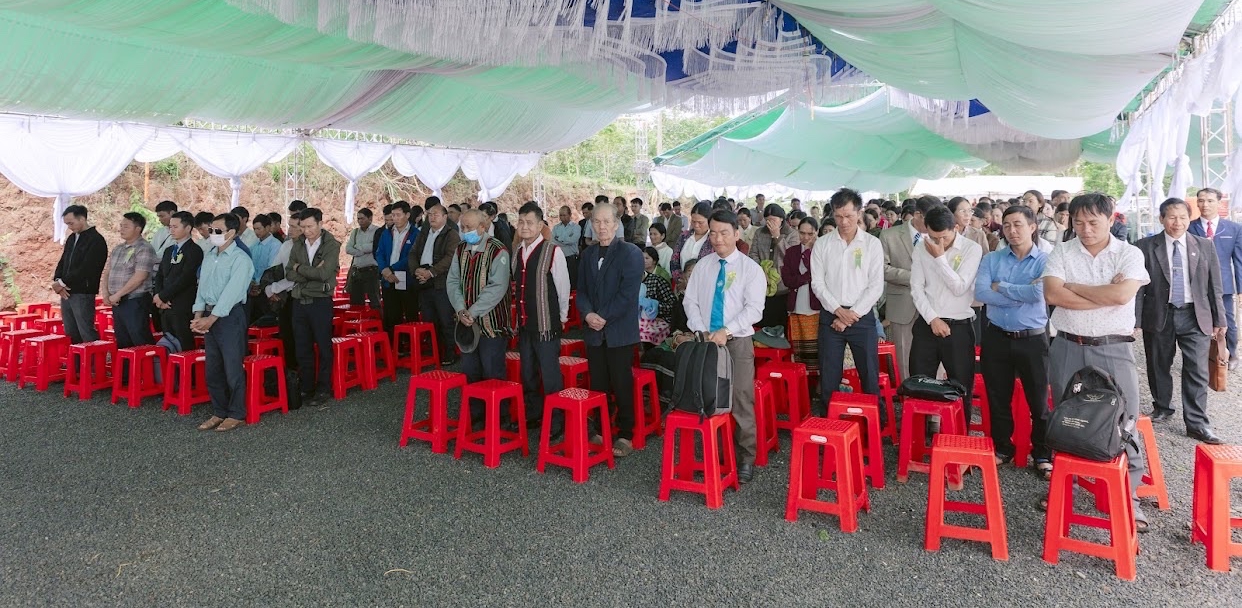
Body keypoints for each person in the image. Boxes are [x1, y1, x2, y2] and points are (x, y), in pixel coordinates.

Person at [1042, 192, 1151, 531]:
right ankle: (1066, 488)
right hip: (1067, 345)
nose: (1086, 229)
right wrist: (1104, 294)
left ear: (1110, 219)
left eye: (1093, 222)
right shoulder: (1062, 251)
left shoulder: (1129, 254)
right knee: (1066, 416)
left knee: (1124, 419)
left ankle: (1130, 498)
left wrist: (1075, 287)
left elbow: (1121, 295)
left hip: (1113, 347)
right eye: (1079, 223)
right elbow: (1053, 294)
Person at [679, 209, 765, 482]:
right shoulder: (703, 266)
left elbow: (755, 309)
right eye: (713, 233)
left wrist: (726, 331)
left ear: (736, 234)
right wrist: (701, 329)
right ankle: (714, 453)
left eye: (724, 233)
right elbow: (690, 301)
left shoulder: (750, 269)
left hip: (737, 342)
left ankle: (745, 458)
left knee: (740, 399)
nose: (718, 239)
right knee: (708, 396)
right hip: (707, 342)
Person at [1136, 198, 1226, 444]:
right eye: (1172, 217)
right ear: (1161, 219)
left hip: (1195, 315)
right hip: (1159, 314)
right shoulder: (1144, 246)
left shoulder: (1204, 245)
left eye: (1183, 217)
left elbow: (1215, 286)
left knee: (1196, 369)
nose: (1178, 222)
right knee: (1158, 363)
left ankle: (1197, 423)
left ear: (1189, 218)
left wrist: (1220, 318)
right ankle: (1162, 407)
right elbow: (1138, 288)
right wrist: (1135, 319)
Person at [974, 205, 1052, 474]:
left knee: (1039, 401)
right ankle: (1003, 448)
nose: (1012, 230)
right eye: (1006, 225)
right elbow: (982, 293)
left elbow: (1039, 294)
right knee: (998, 397)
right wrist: (1020, 294)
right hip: (996, 336)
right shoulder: (992, 259)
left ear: (1032, 227)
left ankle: (1042, 453)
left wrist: (1003, 288)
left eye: (1018, 224)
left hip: (1033, 339)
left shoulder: (1045, 260)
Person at [577, 202, 644, 457]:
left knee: (621, 381)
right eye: (596, 221)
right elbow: (581, 290)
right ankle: (601, 427)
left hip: (619, 330)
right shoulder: (588, 254)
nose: (601, 226)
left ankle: (626, 433)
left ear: (616, 224)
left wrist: (603, 316)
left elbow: (627, 294)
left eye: (607, 221)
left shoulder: (630, 252)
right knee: (598, 381)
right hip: (594, 329)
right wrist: (588, 314)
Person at [811, 189, 885, 410]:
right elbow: (818, 284)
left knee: (869, 373)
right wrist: (838, 310)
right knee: (829, 374)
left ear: (859, 213)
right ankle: (829, 421)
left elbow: (875, 286)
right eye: (838, 216)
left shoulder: (872, 244)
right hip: (831, 316)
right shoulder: (823, 244)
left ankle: (876, 424)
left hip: (861, 316)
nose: (843, 222)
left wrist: (850, 315)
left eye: (849, 216)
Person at [909, 205, 983, 424]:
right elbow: (916, 288)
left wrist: (940, 258)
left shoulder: (971, 249)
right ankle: (920, 436)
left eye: (944, 237)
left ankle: (960, 435)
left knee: (961, 387)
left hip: (959, 327)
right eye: (933, 237)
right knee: (919, 384)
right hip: (927, 324)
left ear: (956, 228)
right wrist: (932, 318)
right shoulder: (921, 247)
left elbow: (959, 287)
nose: (938, 242)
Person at [447, 209, 512, 427]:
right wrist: (460, 309)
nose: (465, 231)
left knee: (492, 371)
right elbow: (452, 281)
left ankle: (498, 417)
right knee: (470, 370)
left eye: (469, 227)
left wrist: (472, 312)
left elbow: (498, 287)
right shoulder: (460, 249)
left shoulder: (497, 250)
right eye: (462, 227)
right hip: (466, 324)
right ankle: (476, 415)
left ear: (482, 228)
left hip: (491, 323)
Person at [510, 202, 570, 437]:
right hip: (525, 324)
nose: (524, 227)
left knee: (550, 374)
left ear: (540, 225)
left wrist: (563, 316)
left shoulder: (552, 251)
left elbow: (563, 288)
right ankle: (533, 414)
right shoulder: (517, 251)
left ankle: (557, 420)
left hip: (546, 325)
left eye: (530, 223)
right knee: (528, 372)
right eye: (521, 222)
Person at [192, 213, 255, 433]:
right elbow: (202, 287)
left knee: (232, 368)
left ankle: (236, 413)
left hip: (229, 317)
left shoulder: (241, 259)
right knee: (213, 368)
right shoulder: (210, 255)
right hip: (210, 315)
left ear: (231, 233)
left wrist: (211, 318)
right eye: (211, 230)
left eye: (217, 231)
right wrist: (198, 315)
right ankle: (219, 411)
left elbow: (232, 293)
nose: (212, 234)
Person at [287, 208, 341, 405]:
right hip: (299, 301)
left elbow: (324, 274)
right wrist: (309, 273)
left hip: (320, 302)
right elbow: (288, 272)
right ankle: (307, 387)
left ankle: (324, 388)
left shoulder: (331, 245)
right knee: (302, 347)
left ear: (320, 223)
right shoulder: (298, 244)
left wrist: (300, 269)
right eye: (303, 227)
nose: (306, 231)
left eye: (310, 226)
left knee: (324, 346)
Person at [880, 195, 934, 379]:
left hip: (934, 305)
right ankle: (908, 392)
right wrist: (914, 278)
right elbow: (882, 269)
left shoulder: (938, 234)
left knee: (936, 356)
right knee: (905, 356)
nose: (933, 224)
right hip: (903, 304)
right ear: (918, 215)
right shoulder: (889, 235)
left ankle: (936, 393)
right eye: (930, 219)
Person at [1188, 187, 1242, 370]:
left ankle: (1232, 353)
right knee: (1198, 319)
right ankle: (1204, 355)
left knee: (1227, 319)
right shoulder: (1189, 227)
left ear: (1219, 203)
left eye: (1210, 201)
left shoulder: (1234, 228)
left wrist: (1240, 289)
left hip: (1223, 284)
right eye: (1201, 200)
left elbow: (1239, 261)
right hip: (1196, 284)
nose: (1205, 204)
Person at [411, 198, 461, 366]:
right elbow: (412, 253)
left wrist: (431, 272)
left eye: (436, 214)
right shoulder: (423, 234)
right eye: (429, 214)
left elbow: (450, 257)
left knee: (445, 320)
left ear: (445, 217)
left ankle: (450, 352)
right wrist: (416, 270)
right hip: (423, 281)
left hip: (441, 283)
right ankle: (434, 353)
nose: (432, 217)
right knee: (429, 320)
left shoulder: (451, 234)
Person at [101, 212, 159, 349]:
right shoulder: (118, 249)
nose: (121, 229)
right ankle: (128, 364)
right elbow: (107, 272)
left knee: (139, 337)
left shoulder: (144, 248)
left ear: (138, 229)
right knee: (123, 339)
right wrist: (106, 293)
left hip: (135, 300)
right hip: (117, 301)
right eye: (121, 226)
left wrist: (118, 294)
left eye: (126, 226)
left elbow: (140, 276)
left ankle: (149, 363)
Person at [52, 205, 108, 344]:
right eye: (67, 224)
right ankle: (77, 357)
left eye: (71, 223)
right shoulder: (72, 238)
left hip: (83, 291)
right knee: (71, 331)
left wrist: (62, 283)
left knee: (86, 330)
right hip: (67, 291)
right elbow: (63, 261)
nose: (69, 227)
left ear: (82, 219)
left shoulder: (96, 240)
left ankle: (93, 357)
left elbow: (87, 268)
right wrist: (58, 279)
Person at [152, 211, 203, 353]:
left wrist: (163, 296)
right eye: (170, 227)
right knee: (168, 342)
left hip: (182, 304)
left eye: (175, 227)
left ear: (188, 228)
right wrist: (158, 296)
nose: (171, 230)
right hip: (164, 305)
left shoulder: (194, 250)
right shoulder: (169, 250)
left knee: (183, 342)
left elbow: (185, 278)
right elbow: (160, 275)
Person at [781, 216, 822, 385]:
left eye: (810, 234)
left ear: (816, 232)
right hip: (796, 306)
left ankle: (817, 384)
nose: (805, 237)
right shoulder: (792, 252)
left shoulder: (821, 251)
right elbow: (787, 280)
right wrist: (806, 278)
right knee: (799, 349)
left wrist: (802, 277)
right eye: (802, 233)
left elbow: (821, 275)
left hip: (816, 306)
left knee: (817, 349)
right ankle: (801, 384)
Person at [265, 210, 303, 373]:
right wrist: (268, 288)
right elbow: (274, 268)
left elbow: (296, 277)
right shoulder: (286, 245)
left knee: (299, 336)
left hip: (300, 296)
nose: (290, 230)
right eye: (290, 226)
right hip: (286, 297)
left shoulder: (306, 248)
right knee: (286, 333)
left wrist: (274, 288)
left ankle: (301, 371)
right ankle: (290, 370)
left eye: (294, 227)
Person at [375, 200, 420, 336]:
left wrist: (391, 269)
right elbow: (379, 253)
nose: (395, 218)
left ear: (407, 215)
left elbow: (412, 256)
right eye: (393, 215)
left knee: (410, 314)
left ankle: (409, 342)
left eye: (398, 215)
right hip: (388, 279)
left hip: (407, 280)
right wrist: (384, 270)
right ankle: (394, 344)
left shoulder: (415, 234)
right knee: (391, 314)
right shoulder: (386, 233)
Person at [749, 203, 796, 329]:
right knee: (762, 321)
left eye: (773, 220)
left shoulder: (792, 234)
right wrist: (760, 271)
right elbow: (753, 254)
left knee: (780, 324)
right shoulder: (759, 232)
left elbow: (791, 257)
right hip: (762, 283)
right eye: (767, 220)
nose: (770, 223)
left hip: (783, 286)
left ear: (781, 219)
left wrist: (777, 236)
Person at [344, 207, 381, 309]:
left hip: (371, 271)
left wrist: (358, 247)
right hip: (357, 271)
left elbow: (374, 247)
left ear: (370, 218)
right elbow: (348, 249)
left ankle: (377, 317)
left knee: (374, 300)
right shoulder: (355, 232)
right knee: (356, 302)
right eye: (358, 219)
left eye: (362, 218)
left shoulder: (377, 231)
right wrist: (362, 251)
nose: (360, 221)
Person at [639, 246, 675, 347]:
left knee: (642, 336)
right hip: (637, 320)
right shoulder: (628, 282)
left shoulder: (657, 280)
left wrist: (655, 308)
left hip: (658, 320)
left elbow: (672, 305)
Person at [248, 213, 281, 320]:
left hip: (267, 289)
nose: (256, 232)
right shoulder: (254, 245)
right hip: (253, 289)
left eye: (259, 228)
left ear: (267, 228)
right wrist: (252, 283)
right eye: (254, 229)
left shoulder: (276, 245)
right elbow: (249, 266)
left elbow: (271, 268)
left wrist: (259, 284)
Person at [670, 202, 713, 284]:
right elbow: (674, 260)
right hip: (682, 285)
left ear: (709, 221)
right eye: (693, 221)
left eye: (700, 222)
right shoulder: (684, 236)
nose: (696, 225)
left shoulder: (713, 240)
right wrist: (680, 280)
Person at [552, 205, 581, 289]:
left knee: (572, 281)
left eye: (564, 215)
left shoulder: (576, 227)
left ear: (570, 215)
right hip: (558, 258)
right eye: (561, 215)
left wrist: (559, 239)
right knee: (559, 282)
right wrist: (566, 240)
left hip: (571, 258)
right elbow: (552, 241)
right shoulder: (556, 228)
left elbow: (572, 240)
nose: (562, 217)